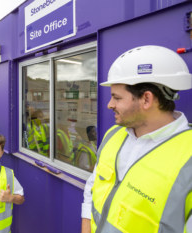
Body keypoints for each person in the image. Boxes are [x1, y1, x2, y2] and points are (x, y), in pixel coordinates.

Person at [81, 45, 192, 233]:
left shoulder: (188, 158)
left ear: (146, 99)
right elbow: (94, 185)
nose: (110, 105)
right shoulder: (113, 134)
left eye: (116, 97)